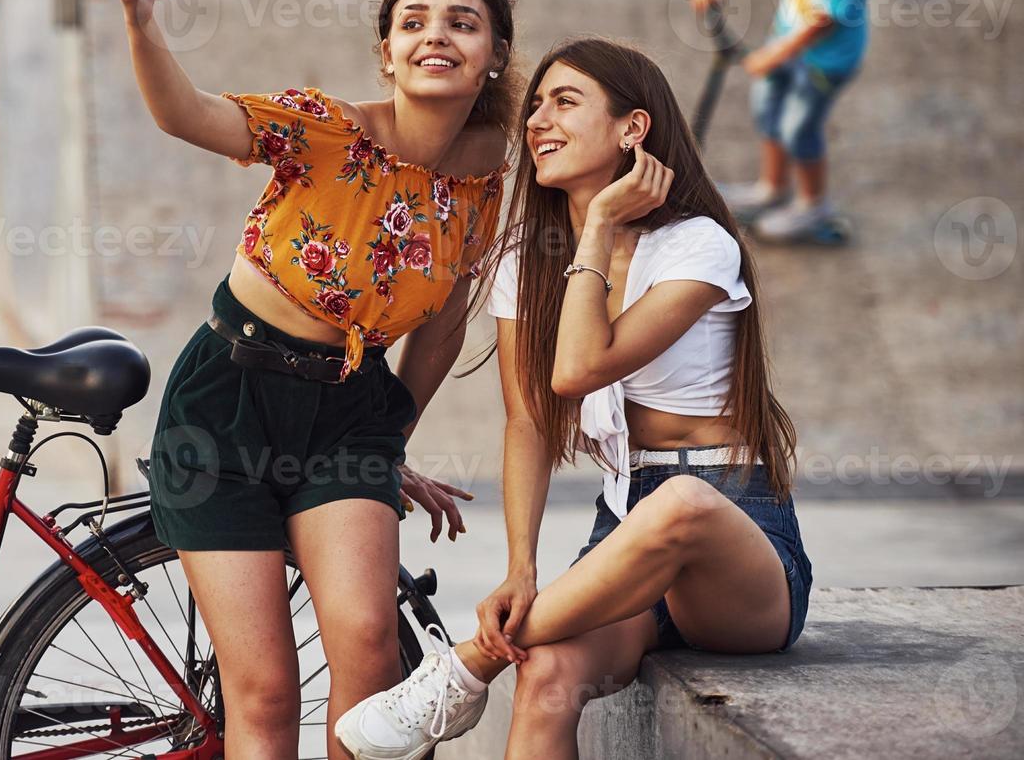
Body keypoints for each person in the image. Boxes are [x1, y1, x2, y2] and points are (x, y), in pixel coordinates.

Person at [336, 38, 812, 760]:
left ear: (633, 129)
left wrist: (600, 226)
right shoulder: (525, 259)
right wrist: (521, 569)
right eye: (534, 107)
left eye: (565, 101)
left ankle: (464, 667)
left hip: (734, 535)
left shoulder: (697, 244)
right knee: (549, 672)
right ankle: (494, 661)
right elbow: (529, 418)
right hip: (621, 529)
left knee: (679, 503)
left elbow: (577, 372)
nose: (537, 121)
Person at [113, 0, 517, 759]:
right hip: (226, 400)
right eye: (414, 22)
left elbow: (444, 321)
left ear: (495, 57)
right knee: (262, 692)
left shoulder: (484, 177)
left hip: (350, 412)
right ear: (388, 54)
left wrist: (388, 433)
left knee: (369, 650)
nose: (435, 35)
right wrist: (141, 21)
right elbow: (187, 115)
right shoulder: (324, 128)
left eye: (462, 23)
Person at [689, 0, 875, 242]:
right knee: (766, 109)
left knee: (798, 129)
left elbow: (822, 24)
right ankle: (772, 188)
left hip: (826, 59)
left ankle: (813, 204)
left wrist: (774, 54)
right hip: (786, 36)